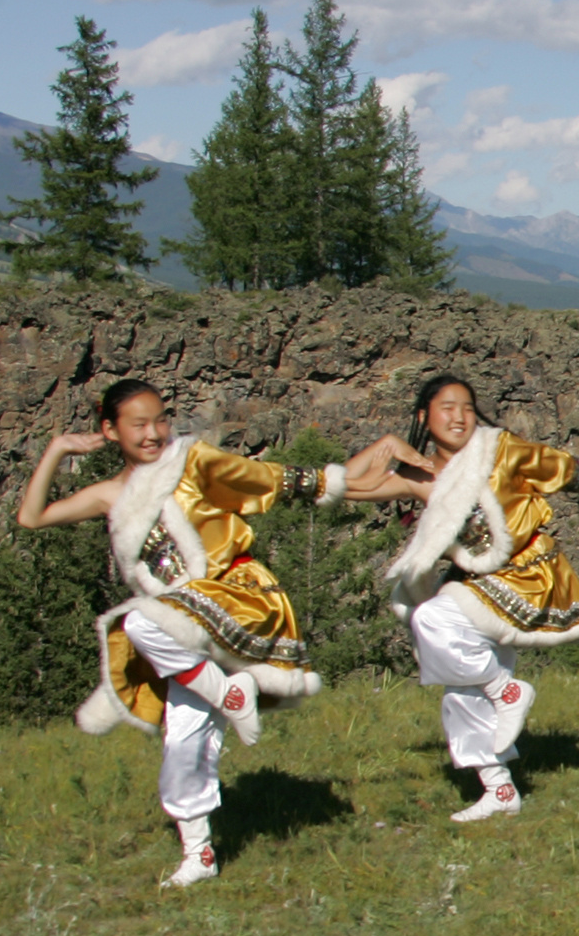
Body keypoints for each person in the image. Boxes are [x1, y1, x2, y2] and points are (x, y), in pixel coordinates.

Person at [19, 379, 378, 887]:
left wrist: (341, 480)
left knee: (140, 621)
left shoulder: (192, 463)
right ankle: (199, 854)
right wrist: (57, 448)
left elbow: (260, 478)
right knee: (183, 739)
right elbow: (31, 517)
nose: (153, 433)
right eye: (138, 424)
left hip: (238, 598)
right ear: (109, 430)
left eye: (160, 420)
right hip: (186, 629)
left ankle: (229, 692)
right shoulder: (110, 495)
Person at [347, 375, 579, 821]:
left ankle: (505, 690)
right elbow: (342, 486)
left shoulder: (501, 449)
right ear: (423, 416)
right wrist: (386, 446)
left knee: (433, 619)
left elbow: (561, 467)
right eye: (447, 407)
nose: (459, 416)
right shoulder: (419, 476)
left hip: (526, 576)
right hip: (476, 582)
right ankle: (499, 790)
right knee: (462, 691)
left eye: (467, 407)